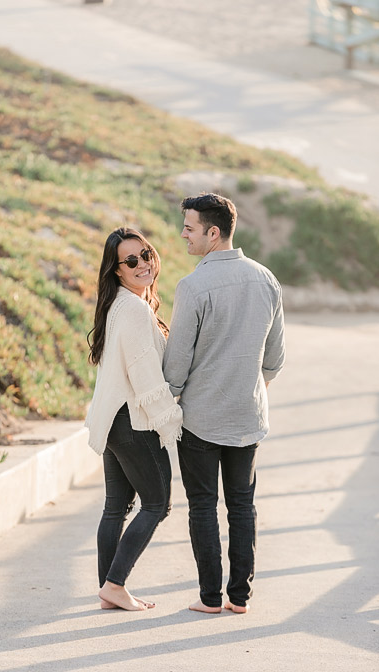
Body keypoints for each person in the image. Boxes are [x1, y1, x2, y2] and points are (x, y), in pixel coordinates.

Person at [163, 193, 285, 615]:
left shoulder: (193, 285)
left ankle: (210, 598)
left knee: (202, 505)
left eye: (190, 228)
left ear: (213, 233)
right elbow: (275, 358)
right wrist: (248, 386)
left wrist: (167, 399)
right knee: (241, 505)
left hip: (200, 418)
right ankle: (240, 598)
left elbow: (176, 365)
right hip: (248, 416)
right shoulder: (267, 279)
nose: (183, 234)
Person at [85, 227, 183, 612]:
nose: (142, 264)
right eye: (131, 261)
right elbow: (144, 376)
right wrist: (172, 417)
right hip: (132, 423)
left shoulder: (122, 305)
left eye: (146, 254)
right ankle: (114, 584)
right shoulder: (135, 310)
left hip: (113, 420)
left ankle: (108, 589)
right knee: (157, 504)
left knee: (115, 507)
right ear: (117, 271)